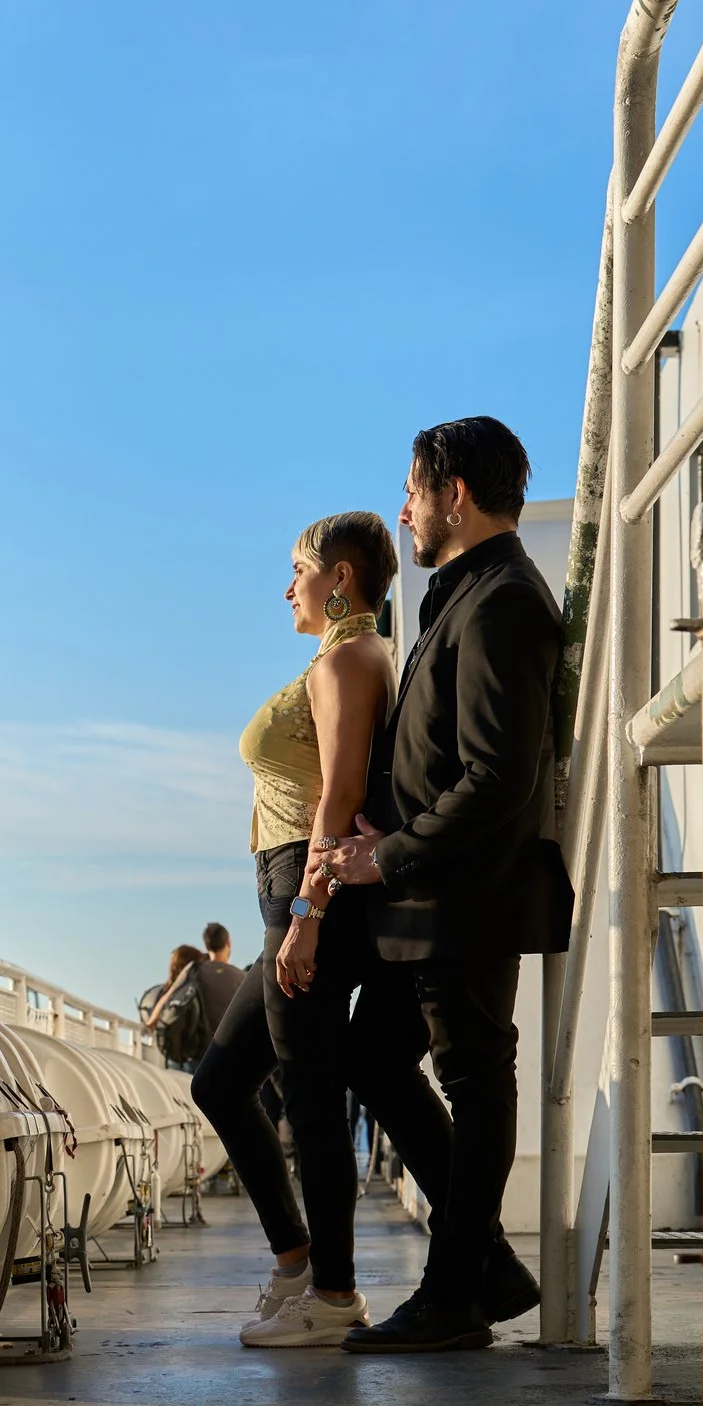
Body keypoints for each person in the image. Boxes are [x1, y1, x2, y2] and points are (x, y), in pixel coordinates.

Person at [312, 416, 566, 1355]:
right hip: (427, 893)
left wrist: (392, 852)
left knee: (474, 1077)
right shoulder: (462, 592)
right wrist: (389, 828)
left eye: (414, 489)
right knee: (373, 1058)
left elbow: (496, 776)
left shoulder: (503, 598)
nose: (404, 507)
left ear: (453, 493)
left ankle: (457, 1289)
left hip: (465, 892)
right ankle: (485, 1264)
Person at [189, 511, 398, 1348]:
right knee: (222, 1084)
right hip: (287, 886)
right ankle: (296, 1263)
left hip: (303, 885)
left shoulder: (348, 658)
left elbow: (338, 794)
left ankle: (335, 1292)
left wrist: (307, 912)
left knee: (310, 1097)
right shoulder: (340, 657)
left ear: (339, 576)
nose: (288, 587)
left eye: (298, 570)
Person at [144, 944, 212, 1070]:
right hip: (198, 1054)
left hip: (173, 1054)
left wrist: (151, 1020)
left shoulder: (169, 990)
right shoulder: (198, 982)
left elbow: (158, 1012)